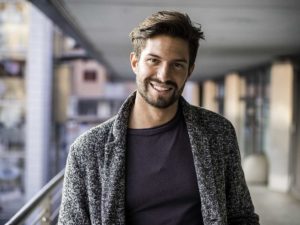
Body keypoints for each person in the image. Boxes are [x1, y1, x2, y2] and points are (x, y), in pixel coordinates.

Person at [58, 11, 260, 225]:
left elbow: (241, 216)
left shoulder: (218, 132)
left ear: (189, 71)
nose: (164, 75)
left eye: (177, 65)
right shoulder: (88, 150)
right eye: (154, 60)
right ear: (135, 62)